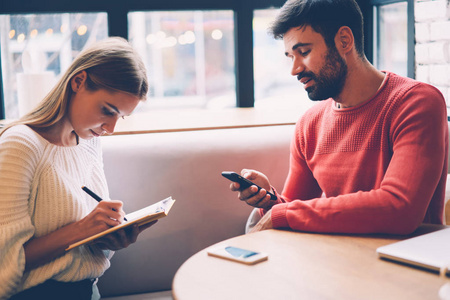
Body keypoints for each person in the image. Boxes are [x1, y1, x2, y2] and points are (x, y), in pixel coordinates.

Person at [230, 0, 448, 235]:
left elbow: (400, 209)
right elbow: (294, 208)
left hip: (407, 262)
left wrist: (284, 213)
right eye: (289, 56)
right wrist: (269, 201)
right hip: (334, 258)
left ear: (344, 40)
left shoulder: (417, 103)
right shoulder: (309, 124)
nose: (294, 69)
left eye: (303, 52)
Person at [0, 37, 155, 299]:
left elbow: (82, 248)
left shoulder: (88, 142)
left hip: (89, 290)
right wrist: (82, 229)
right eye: (108, 110)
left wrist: (110, 238)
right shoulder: (21, 145)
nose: (111, 128)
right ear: (78, 82)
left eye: (120, 117)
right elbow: (5, 262)